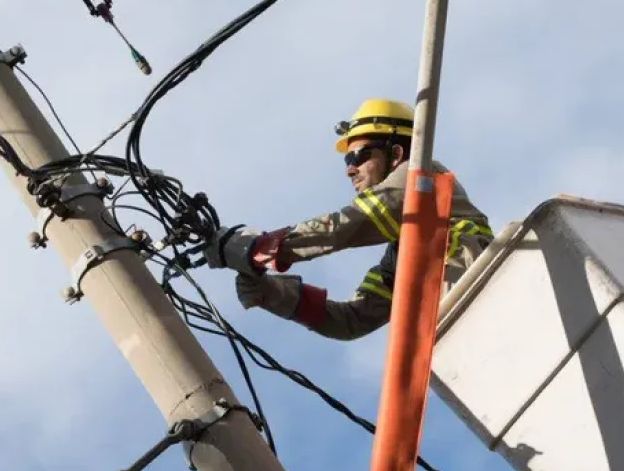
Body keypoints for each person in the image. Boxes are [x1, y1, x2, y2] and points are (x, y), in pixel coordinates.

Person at [203, 99, 493, 340]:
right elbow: (352, 320)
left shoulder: (421, 177)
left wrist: (257, 249)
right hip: (463, 332)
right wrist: (271, 293)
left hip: (481, 294)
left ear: (396, 154)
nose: (350, 170)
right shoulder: (404, 255)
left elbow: (346, 225)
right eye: (347, 161)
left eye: (358, 156)